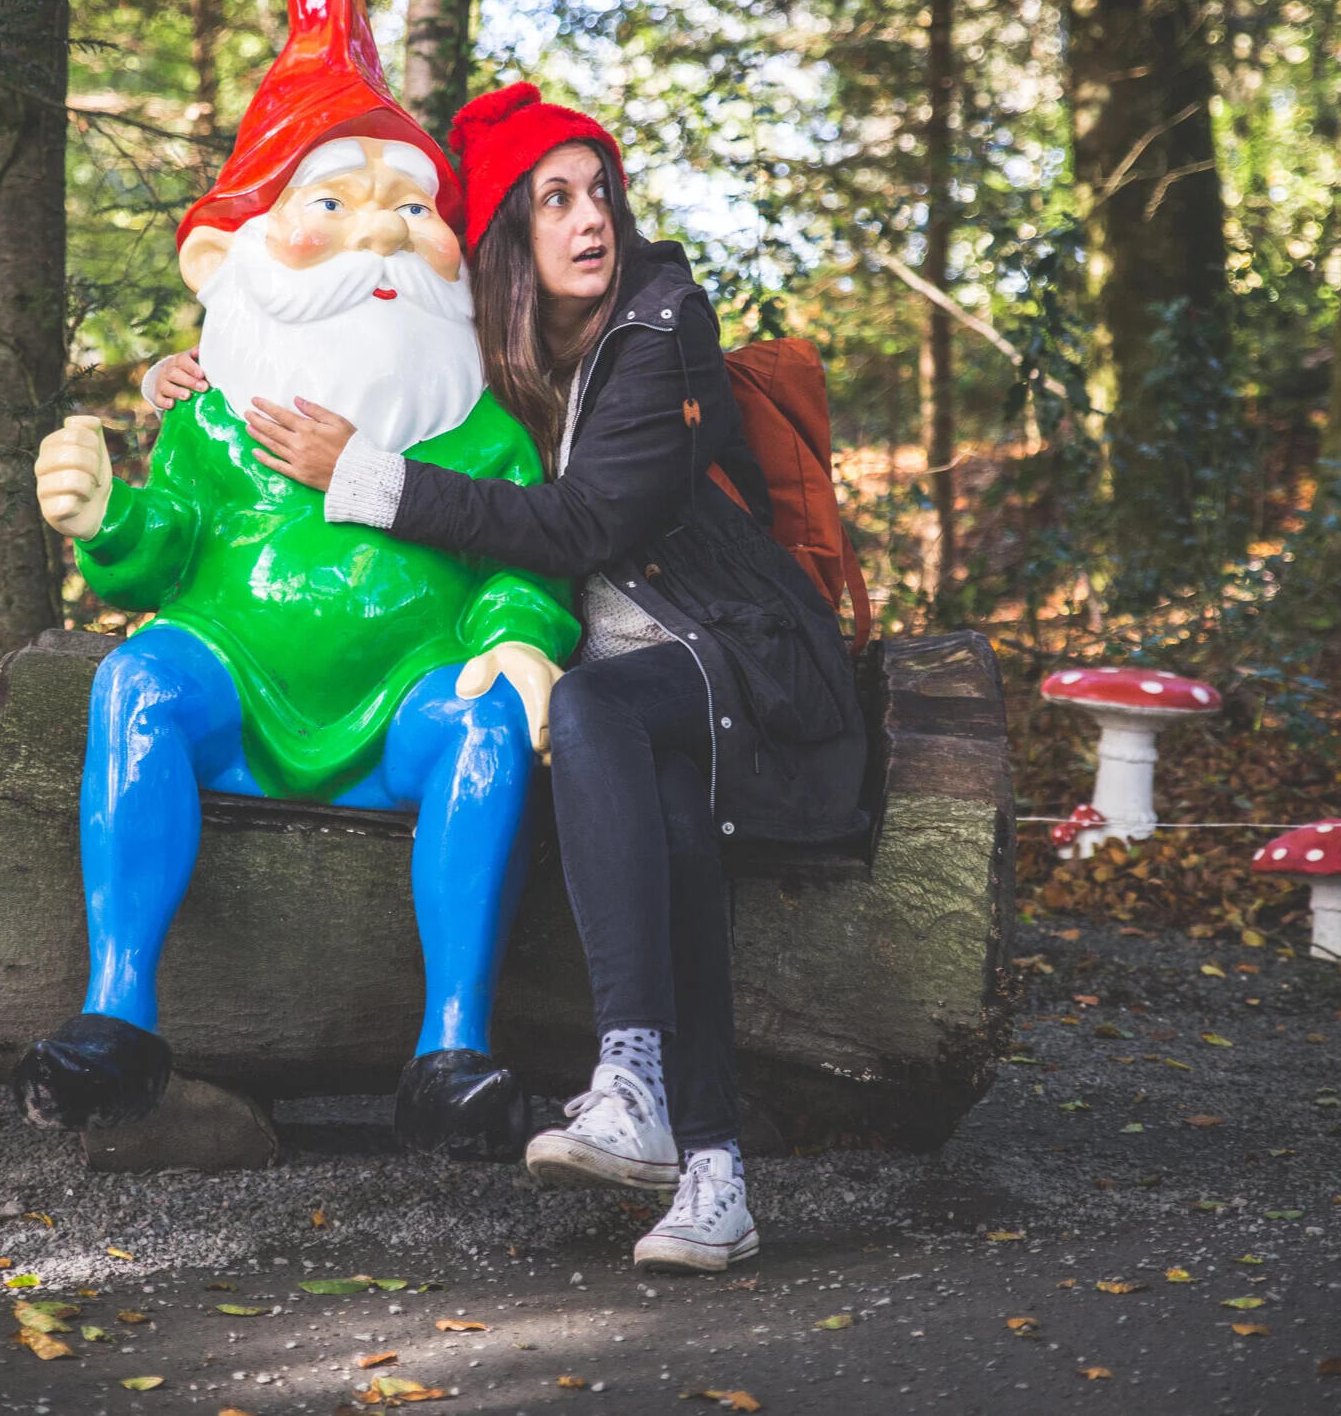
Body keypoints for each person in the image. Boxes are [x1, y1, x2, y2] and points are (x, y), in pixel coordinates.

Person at [159, 83, 871, 1274]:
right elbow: (359, 344)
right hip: (641, 685)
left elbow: (587, 521)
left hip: (743, 658)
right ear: (509, 241)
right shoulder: (505, 360)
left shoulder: (660, 324)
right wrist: (192, 371)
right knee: (673, 831)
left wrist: (373, 479)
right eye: (555, 199)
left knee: (594, 707)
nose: (591, 219)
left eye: (600, 192)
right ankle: (714, 1176)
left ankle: (629, 1074)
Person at [17, 0, 575, 1161]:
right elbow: (168, 546)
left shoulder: (478, 416)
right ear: (238, 253)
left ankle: (453, 1043)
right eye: (336, 200)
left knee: (488, 716)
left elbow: (525, 548)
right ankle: (120, 1010)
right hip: (239, 681)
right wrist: (106, 518)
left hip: (409, 692)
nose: (385, 228)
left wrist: (520, 633)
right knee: (134, 681)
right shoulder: (210, 411)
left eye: (413, 205)